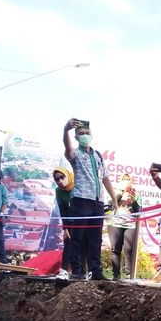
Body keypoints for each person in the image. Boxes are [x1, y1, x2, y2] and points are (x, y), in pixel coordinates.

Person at [62, 118, 117, 281]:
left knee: (96, 238)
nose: (85, 136)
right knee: (78, 236)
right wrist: (65, 130)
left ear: (91, 135)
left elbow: (105, 177)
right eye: (81, 134)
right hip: (81, 199)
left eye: (87, 133)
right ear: (76, 137)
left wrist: (113, 198)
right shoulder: (74, 154)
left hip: (97, 201)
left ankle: (96, 271)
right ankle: (77, 271)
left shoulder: (98, 155)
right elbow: (67, 146)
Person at [108, 173, 141, 280]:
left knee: (129, 249)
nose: (126, 181)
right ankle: (116, 275)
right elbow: (109, 205)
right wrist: (120, 194)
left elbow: (139, 211)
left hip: (130, 224)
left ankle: (128, 275)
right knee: (115, 249)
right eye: (124, 179)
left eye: (128, 179)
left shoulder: (135, 193)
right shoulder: (115, 191)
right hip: (115, 223)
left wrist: (133, 201)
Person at [53, 166, 75, 280]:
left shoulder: (77, 185)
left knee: (82, 245)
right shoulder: (58, 191)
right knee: (68, 243)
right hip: (69, 220)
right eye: (57, 179)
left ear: (68, 176)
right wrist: (65, 228)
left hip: (82, 218)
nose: (60, 181)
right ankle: (64, 269)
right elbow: (63, 209)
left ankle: (81, 271)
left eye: (62, 177)